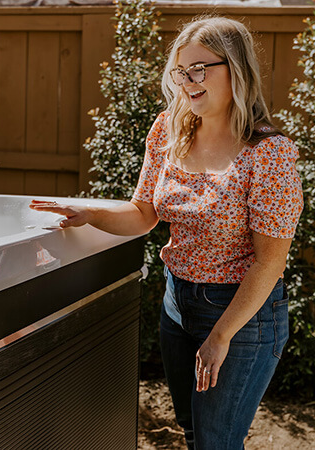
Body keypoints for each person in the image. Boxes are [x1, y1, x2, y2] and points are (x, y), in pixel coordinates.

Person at [29, 16, 303, 450]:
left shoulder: (269, 153)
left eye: (199, 69)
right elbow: (143, 213)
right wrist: (89, 213)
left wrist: (220, 336)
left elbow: (270, 262)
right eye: (180, 71)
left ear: (236, 69)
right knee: (194, 434)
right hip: (177, 304)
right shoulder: (170, 130)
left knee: (216, 443)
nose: (186, 82)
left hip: (240, 316)